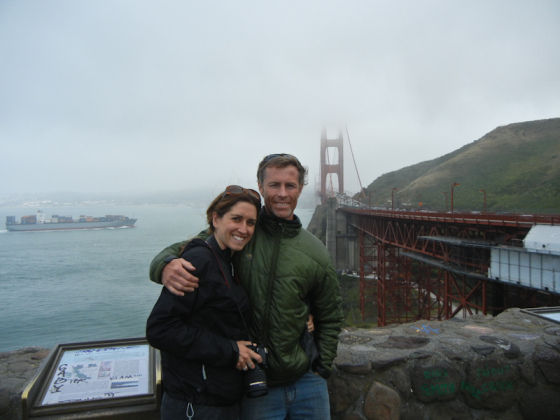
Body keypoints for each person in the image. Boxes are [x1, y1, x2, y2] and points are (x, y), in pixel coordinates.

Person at [150, 154, 344, 420]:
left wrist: (322, 367)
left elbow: (330, 314)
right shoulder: (241, 232)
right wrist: (165, 264)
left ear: (301, 188)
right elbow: (187, 249)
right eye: (274, 185)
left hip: (308, 381)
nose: (283, 193)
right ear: (261, 187)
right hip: (256, 384)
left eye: (291, 185)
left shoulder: (315, 251)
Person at [146, 185, 264, 420]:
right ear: (216, 219)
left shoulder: (227, 259)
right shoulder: (198, 261)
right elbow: (160, 329)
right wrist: (230, 351)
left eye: (250, 222)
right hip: (196, 405)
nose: (243, 229)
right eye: (236, 219)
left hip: (218, 400)